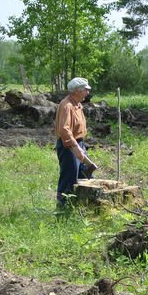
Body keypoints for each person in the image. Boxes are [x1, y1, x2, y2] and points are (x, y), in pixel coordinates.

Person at [54, 77, 97, 206]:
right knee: (69, 178)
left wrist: (80, 147)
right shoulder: (67, 105)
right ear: (76, 91)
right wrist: (75, 148)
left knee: (85, 175)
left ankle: (82, 205)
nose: (87, 93)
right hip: (69, 146)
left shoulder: (78, 105)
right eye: (85, 90)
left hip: (79, 144)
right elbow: (64, 130)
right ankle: (62, 207)